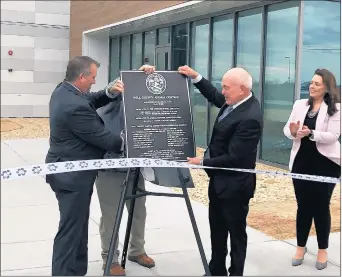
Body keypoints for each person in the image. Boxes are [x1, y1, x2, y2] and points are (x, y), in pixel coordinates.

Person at [95, 65, 195, 276]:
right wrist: (130, 78)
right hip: (110, 167)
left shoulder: (146, 104)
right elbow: (111, 90)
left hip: (134, 168)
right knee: (111, 216)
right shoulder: (110, 100)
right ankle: (110, 258)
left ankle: (136, 250)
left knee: (139, 211)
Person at [178, 65, 263, 276]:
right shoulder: (234, 101)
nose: (222, 91)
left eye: (226, 87)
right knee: (217, 230)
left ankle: (236, 272)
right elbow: (215, 97)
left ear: (241, 89)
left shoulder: (250, 117)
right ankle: (216, 269)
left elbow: (235, 157)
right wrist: (196, 77)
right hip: (219, 181)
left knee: (235, 234)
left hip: (235, 185)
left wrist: (203, 162)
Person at [45, 56, 124, 276]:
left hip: (70, 174)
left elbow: (89, 99)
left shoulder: (64, 91)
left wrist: (110, 93)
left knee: (77, 228)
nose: (93, 82)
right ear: (81, 77)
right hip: (72, 177)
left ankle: (77, 271)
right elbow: (107, 140)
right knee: (70, 232)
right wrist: (133, 141)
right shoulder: (74, 106)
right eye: (92, 78)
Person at [283, 68, 340, 270]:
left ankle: (322, 249)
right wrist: (293, 132)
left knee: (321, 207)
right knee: (303, 206)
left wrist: (312, 133)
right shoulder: (299, 104)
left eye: (317, 84)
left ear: (326, 87)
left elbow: (333, 136)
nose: (312, 86)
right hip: (301, 162)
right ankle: (301, 246)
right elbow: (288, 129)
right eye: (312, 82)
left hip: (326, 164)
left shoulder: (336, 108)